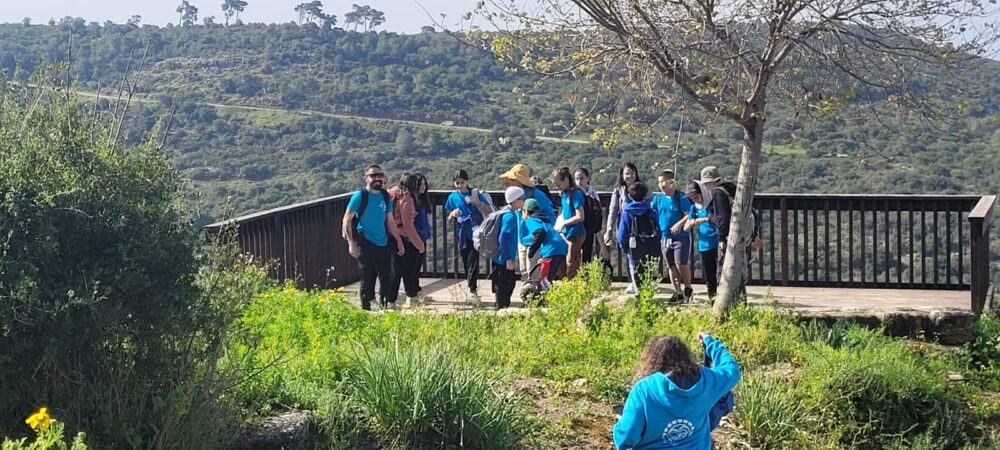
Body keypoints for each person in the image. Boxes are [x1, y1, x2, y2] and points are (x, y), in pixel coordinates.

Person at [613, 333, 741, 449]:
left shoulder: (643, 390)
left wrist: (622, 423)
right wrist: (710, 342)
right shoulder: (707, 381)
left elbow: (626, 439)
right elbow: (731, 370)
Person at [341, 164, 405, 311]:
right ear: (366, 178)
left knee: (386, 277)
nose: (377, 178)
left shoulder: (385, 196)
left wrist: (399, 241)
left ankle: (383, 307)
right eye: (373, 176)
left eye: (379, 175)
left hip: (383, 242)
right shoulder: (360, 196)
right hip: (365, 241)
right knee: (367, 277)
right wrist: (351, 243)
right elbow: (346, 220)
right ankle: (366, 309)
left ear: (383, 178)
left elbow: (390, 221)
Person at [499, 163, 557, 276]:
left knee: (534, 273)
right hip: (522, 239)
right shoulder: (516, 195)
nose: (509, 182)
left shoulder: (537, 195)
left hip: (536, 239)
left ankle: (533, 292)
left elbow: (551, 216)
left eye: (512, 179)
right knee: (524, 273)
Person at [445, 169, 494, 303]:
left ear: (467, 181)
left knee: (473, 260)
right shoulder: (452, 197)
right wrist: (452, 214)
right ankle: (471, 288)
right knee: (466, 260)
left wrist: (476, 202)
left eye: (462, 182)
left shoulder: (476, 194)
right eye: (457, 183)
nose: (459, 185)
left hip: (476, 233)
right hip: (462, 233)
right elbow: (448, 214)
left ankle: (472, 290)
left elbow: (490, 210)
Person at [651, 170, 694, 302]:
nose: (661, 185)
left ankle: (688, 288)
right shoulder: (658, 198)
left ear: (672, 182)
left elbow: (689, 214)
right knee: (671, 265)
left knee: (681, 263)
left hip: (680, 236)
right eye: (659, 182)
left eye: (664, 181)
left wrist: (679, 224)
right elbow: (652, 212)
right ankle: (677, 292)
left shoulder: (681, 197)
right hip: (665, 236)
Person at [388, 174, 427, 308]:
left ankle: (390, 300)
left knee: (395, 270)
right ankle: (410, 298)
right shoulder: (407, 199)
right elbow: (408, 225)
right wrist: (419, 244)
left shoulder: (393, 193)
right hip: (404, 237)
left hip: (391, 235)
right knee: (409, 270)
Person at [616, 182, 660, 295]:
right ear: (645, 196)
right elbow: (659, 228)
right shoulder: (651, 212)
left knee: (636, 274)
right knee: (649, 273)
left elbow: (622, 234)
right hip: (650, 248)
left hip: (633, 248)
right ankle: (649, 297)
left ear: (629, 196)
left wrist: (624, 248)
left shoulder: (627, 212)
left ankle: (639, 298)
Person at [523, 198, 568, 292]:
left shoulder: (531, 220)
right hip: (561, 247)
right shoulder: (544, 219)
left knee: (544, 279)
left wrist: (531, 252)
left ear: (525, 211)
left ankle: (555, 298)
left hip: (552, 249)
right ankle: (553, 297)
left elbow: (540, 232)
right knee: (550, 277)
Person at [490, 186, 524, 310]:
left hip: (498, 258)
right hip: (504, 259)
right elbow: (503, 238)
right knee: (506, 286)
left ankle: (500, 309)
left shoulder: (506, 212)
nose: (524, 201)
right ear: (515, 200)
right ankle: (502, 312)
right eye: (522, 198)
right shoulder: (511, 217)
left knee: (502, 286)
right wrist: (508, 259)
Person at [684, 180, 719, 299]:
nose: (696, 200)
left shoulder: (713, 204)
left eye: (697, 197)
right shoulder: (694, 208)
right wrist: (702, 220)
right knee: (709, 278)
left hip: (717, 244)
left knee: (720, 275)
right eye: (692, 198)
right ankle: (712, 301)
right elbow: (686, 227)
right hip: (704, 245)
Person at [551, 167, 587, 279]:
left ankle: (572, 286)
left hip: (575, 233)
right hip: (566, 234)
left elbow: (580, 216)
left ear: (566, 180)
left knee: (571, 263)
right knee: (564, 262)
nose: (557, 187)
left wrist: (564, 223)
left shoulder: (576, 194)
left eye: (558, 184)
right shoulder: (565, 194)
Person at [605, 162, 646, 250]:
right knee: (628, 253)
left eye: (632, 173)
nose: (630, 176)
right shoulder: (618, 191)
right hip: (625, 228)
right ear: (622, 175)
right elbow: (613, 211)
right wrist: (609, 229)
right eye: (627, 173)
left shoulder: (643, 189)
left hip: (642, 230)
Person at [575, 168, 610, 265]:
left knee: (586, 260)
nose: (579, 182)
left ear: (587, 179)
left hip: (588, 232)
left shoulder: (593, 196)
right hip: (575, 232)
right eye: (576, 179)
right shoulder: (573, 194)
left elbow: (597, 220)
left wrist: (602, 246)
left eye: (581, 178)